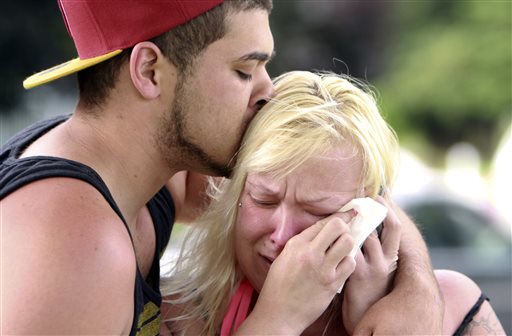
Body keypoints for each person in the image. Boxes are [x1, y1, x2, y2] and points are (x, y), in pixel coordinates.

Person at [1, 0, 445, 334]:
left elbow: (338, 190)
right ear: (150, 71)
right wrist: (277, 319)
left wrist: (415, 292)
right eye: (243, 69)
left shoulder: (145, 176)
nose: (267, 91)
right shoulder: (73, 244)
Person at [160, 71, 505, 335]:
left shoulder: (451, 307)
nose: (281, 236)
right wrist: (278, 319)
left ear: (366, 213)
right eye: (263, 199)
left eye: (318, 212)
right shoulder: (180, 318)